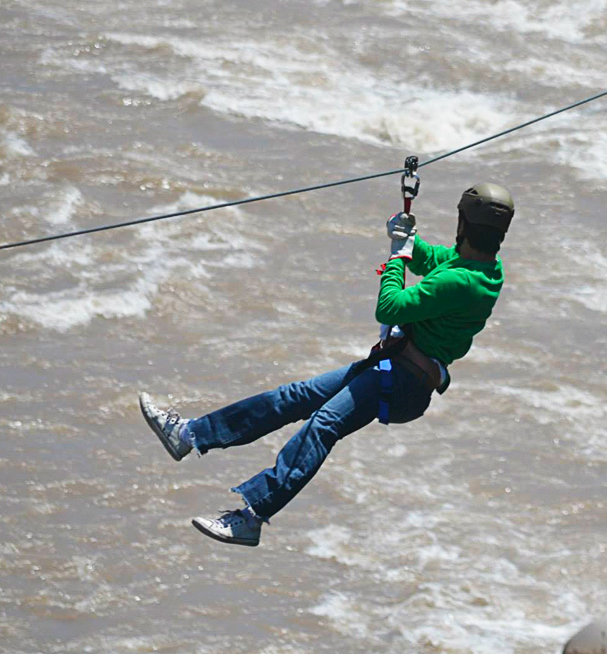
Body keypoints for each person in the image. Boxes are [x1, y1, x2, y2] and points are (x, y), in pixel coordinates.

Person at [138, 183, 514, 546]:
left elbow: (389, 306)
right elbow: (438, 260)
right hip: (396, 367)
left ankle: (252, 517)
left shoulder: (462, 282)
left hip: (405, 381)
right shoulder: (486, 267)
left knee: (323, 424)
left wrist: (398, 257)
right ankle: (189, 435)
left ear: (462, 223)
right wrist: (411, 242)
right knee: (295, 397)